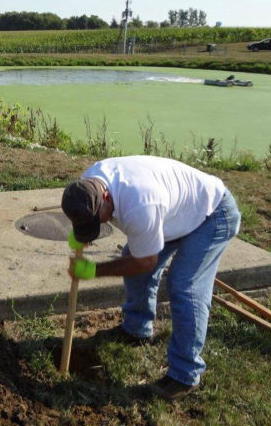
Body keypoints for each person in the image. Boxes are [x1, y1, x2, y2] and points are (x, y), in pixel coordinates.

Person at [61, 155, 241, 401]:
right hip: (177, 211)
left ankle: (185, 375)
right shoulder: (87, 185)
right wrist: (80, 233)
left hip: (212, 215)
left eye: (98, 219)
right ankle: (136, 329)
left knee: (184, 285)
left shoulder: (139, 205)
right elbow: (92, 216)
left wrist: (94, 271)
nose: (100, 223)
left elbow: (145, 262)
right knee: (130, 254)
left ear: (105, 197)